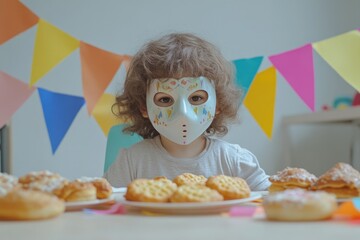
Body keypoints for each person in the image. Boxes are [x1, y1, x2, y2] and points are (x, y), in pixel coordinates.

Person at [104, 33, 270, 190]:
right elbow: (107, 206)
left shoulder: (235, 161)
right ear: (143, 107)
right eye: (165, 99)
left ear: (218, 104)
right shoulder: (131, 162)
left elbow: (270, 198)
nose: (182, 113)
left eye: (196, 98)